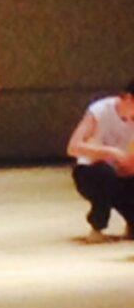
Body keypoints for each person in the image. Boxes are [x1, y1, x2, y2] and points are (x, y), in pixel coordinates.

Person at [66, 81, 134, 242]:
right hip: (91, 171)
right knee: (105, 174)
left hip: (121, 175)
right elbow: (73, 147)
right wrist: (110, 152)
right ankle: (97, 226)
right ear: (128, 98)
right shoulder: (101, 110)